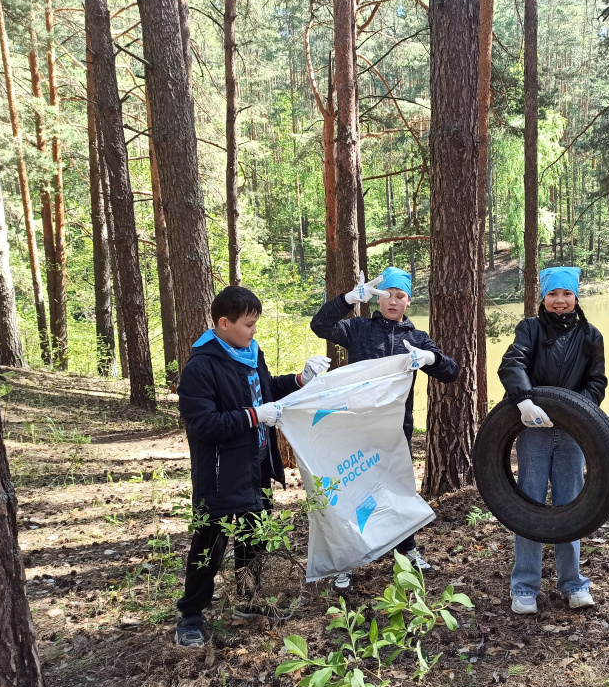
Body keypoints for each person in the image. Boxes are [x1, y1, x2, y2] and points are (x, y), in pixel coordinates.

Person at [174, 286, 330, 648]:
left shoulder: (249, 354)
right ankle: (191, 616)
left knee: (254, 536)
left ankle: (248, 601)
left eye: (256, 324)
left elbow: (265, 389)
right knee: (209, 544)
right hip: (220, 473)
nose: (253, 332)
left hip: (256, 465)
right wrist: (252, 416)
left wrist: (300, 380)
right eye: (248, 325)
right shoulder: (201, 367)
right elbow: (203, 425)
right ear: (223, 323)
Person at [310, 266, 459, 593]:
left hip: (396, 431)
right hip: (356, 428)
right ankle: (346, 562)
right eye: (387, 294)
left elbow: (452, 372)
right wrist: (348, 300)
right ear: (377, 299)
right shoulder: (359, 329)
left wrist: (430, 359)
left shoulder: (417, 339)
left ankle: (407, 551)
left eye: (400, 295)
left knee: (398, 491)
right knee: (352, 491)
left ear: (409, 300)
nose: (393, 301)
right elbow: (319, 325)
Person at [497, 267, 606, 614]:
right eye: (553, 295)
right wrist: (523, 400)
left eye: (567, 294)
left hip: (574, 436)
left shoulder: (590, 334)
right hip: (533, 429)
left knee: (570, 507)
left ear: (576, 297)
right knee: (528, 507)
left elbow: (597, 382)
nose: (560, 301)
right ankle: (524, 587)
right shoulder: (529, 328)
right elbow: (512, 362)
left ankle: (573, 584)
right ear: (543, 297)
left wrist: (578, 414)